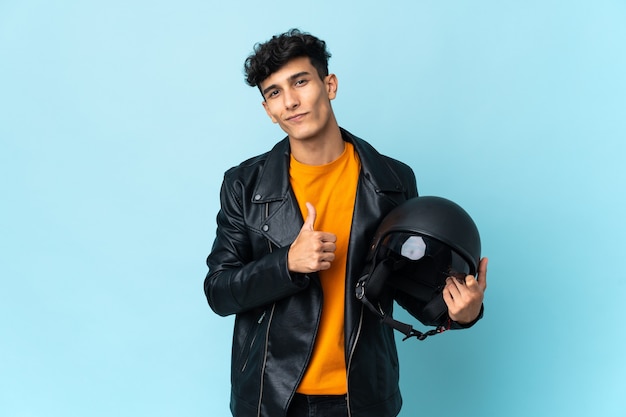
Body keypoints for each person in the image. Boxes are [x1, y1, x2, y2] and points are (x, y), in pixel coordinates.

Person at [204, 28, 487, 417]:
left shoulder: (392, 181)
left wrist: (460, 313)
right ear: (268, 111)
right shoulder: (243, 185)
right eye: (274, 92)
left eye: (300, 81)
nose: (290, 101)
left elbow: (403, 283)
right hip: (272, 399)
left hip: (363, 397)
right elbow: (219, 291)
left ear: (329, 85)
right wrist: (286, 263)